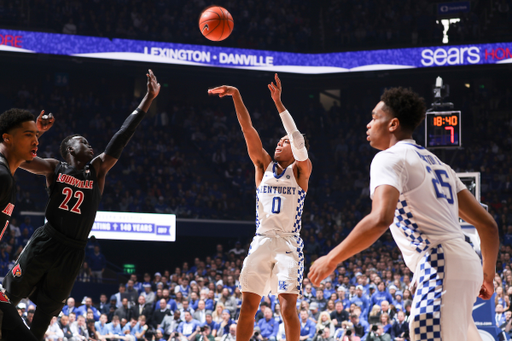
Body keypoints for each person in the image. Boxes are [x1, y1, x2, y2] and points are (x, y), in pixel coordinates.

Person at [308, 87, 499, 340]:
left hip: (440, 261)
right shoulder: (439, 164)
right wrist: (487, 275)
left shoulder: (388, 158)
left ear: (393, 124)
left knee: (424, 334)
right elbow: (488, 226)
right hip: (465, 263)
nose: (368, 124)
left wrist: (331, 258)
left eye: (375, 117)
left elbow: (381, 219)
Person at [209, 74, 312, 341]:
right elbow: (247, 129)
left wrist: (278, 103)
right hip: (262, 240)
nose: (280, 142)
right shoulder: (262, 165)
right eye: (279, 140)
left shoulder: (301, 171)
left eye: (285, 141)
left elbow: (298, 139)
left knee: (288, 308)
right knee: (248, 306)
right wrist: (236, 95)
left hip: (289, 244)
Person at [0, 108, 54, 340]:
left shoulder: (6, 170)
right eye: (28, 135)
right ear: (7, 138)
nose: (35, 142)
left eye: (36, 136)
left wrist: (34, 133)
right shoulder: (1, 176)